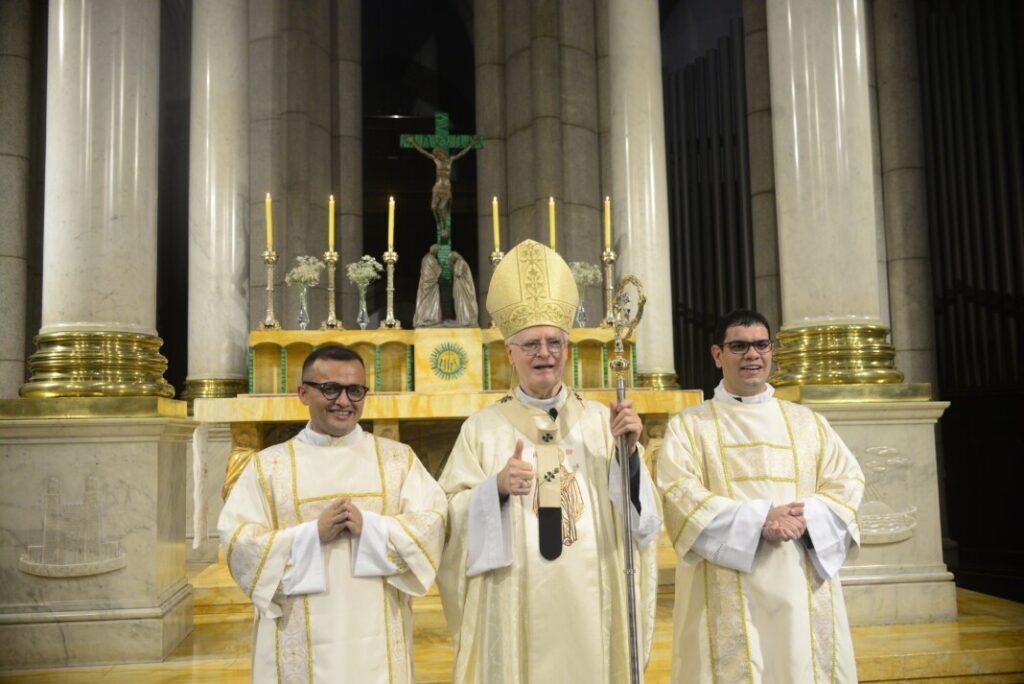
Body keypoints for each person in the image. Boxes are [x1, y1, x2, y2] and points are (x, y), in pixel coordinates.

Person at [437, 239, 662, 682]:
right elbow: (447, 517)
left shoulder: (603, 422)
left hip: (591, 594)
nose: (545, 353)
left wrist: (630, 454)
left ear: (567, 348)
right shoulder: (482, 430)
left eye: (555, 342)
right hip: (513, 595)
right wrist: (495, 489)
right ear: (510, 353)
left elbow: (642, 522)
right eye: (533, 344)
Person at [655, 309, 864, 683]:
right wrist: (760, 520)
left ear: (771, 351)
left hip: (799, 578)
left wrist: (806, 516)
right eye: (738, 346)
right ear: (717, 355)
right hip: (724, 583)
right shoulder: (690, 426)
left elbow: (846, 481)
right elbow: (678, 493)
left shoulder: (808, 422)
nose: (752, 355)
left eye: (761, 345)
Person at [218, 345, 447, 683]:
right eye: (330, 389)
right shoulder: (269, 466)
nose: (344, 401)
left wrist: (370, 528)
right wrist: (312, 535)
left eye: (355, 390)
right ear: (303, 393)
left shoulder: (398, 460)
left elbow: (433, 522)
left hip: (376, 636)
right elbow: (238, 542)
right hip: (297, 634)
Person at [405, 135, 478, 236]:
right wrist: (413, 143)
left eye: (438, 154)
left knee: (440, 208)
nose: (437, 156)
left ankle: (445, 228)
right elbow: (423, 152)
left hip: (446, 188)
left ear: (441, 153)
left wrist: (472, 144)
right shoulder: (436, 161)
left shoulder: (450, 160)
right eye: (436, 155)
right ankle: (440, 225)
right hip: (437, 187)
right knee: (433, 207)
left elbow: (462, 153)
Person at [413, 244, 442, 328]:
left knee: (425, 301)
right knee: (429, 301)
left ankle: (426, 318)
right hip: (431, 284)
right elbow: (437, 270)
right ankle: (429, 319)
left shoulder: (425, 258)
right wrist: (440, 266)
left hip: (425, 283)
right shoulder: (431, 259)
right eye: (437, 251)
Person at [448, 249, 478, 327]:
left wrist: (451, 266)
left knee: (463, 304)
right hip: (461, 288)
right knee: (460, 304)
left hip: (463, 289)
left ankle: (465, 320)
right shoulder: (460, 262)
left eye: (451, 259)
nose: (450, 261)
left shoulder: (460, 262)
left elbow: (458, 273)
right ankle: (462, 320)